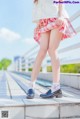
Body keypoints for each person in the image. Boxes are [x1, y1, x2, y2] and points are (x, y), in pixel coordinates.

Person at [27, 0, 76, 99]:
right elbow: (39, 8)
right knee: (42, 51)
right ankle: (31, 86)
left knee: (52, 50)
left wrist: (61, 16)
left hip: (56, 17)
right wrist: (38, 23)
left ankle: (56, 87)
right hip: (44, 21)